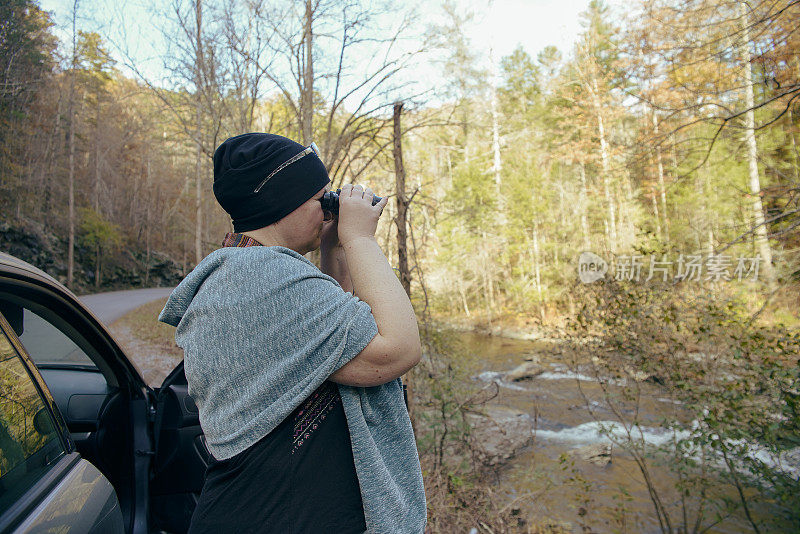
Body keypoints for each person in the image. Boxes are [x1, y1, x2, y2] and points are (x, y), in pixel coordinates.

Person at [158, 133, 427, 534]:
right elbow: (397, 349)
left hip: (256, 509)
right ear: (282, 201)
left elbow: (337, 339)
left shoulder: (242, 273)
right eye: (321, 198)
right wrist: (360, 239)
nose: (327, 209)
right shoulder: (265, 276)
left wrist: (334, 250)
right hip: (275, 515)